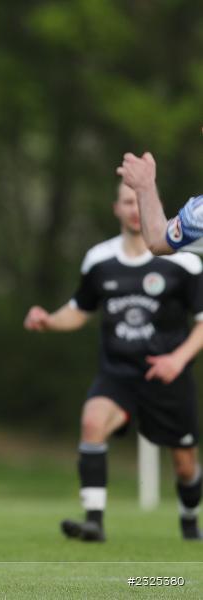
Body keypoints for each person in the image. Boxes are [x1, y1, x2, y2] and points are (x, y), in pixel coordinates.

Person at [24, 181, 203, 542]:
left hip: (167, 376)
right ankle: (94, 521)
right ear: (116, 209)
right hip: (118, 373)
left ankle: (189, 521)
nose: (135, 209)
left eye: (140, 202)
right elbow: (80, 310)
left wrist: (177, 359)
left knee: (185, 465)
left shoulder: (183, 262)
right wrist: (49, 320)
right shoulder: (99, 260)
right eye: (127, 202)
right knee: (92, 421)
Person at [117, 150, 203, 256]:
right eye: (128, 203)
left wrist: (144, 186)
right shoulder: (97, 256)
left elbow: (158, 239)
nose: (135, 210)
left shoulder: (198, 214)